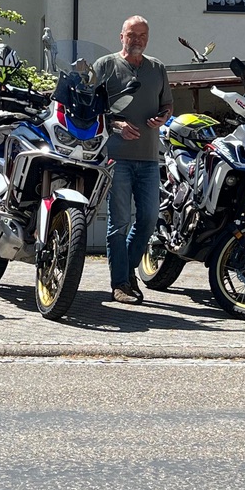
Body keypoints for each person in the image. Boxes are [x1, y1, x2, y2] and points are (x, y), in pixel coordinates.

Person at [93, 16, 173, 305]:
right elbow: (92, 109)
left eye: (142, 35)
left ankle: (126, 273)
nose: (137, 39)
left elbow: (167, 104)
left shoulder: (157, 68)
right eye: (132, 34)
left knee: (149, 219)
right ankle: (120, 284)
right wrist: (116, 125)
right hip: (116, 159)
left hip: (149, 158)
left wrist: (163, 117)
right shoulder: (105, 66)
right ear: (121, 36)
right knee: (119, 223)